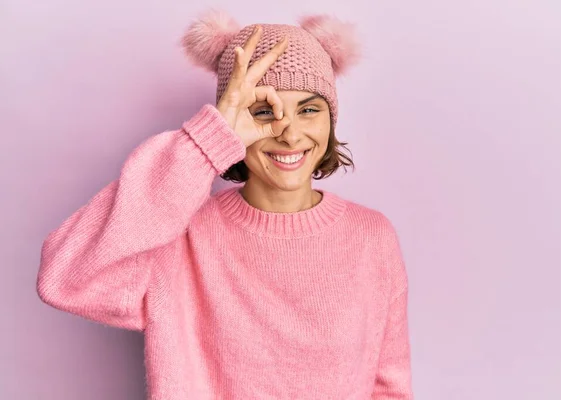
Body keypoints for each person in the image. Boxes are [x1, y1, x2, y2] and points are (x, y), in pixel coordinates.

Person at [36, 10, 414, 399]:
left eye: (309, 109)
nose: (288, 132)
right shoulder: (179, 237)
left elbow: (389, 388)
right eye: (264, 111)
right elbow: (66, 279)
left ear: (331, 120)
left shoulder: (372, 235)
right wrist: (205, 141)